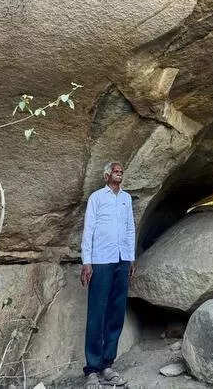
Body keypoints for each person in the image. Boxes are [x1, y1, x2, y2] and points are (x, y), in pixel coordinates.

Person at [80, 161, 136, 387]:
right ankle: (92, 368)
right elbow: (89, 229)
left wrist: (131, 257)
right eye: (115, 170)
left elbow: (130, 228)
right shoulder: (96, 198)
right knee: (97, 313)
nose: (119, 171)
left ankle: (107, 365)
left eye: (121, 170)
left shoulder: (126, 199)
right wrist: (87, 262)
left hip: (122, 260)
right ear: (106, 176)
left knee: (116, 312)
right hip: (101, 261)